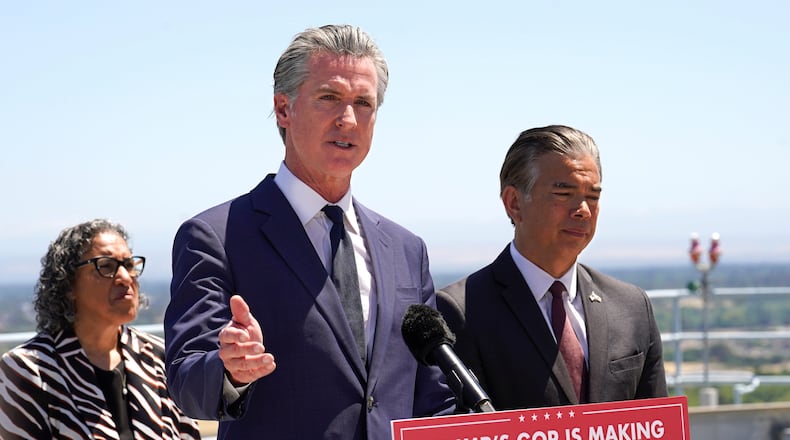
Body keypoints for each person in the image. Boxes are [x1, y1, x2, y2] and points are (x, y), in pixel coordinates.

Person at [164, 24, 454, 439]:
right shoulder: (216, 236)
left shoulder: (407, 250)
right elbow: (188, 382)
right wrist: (232, 372)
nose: (348, 119)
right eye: (329, 98)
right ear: (284, 109)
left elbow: (432, 397)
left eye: (363, 103)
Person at [437, 125, 667, 411]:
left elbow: (657, 421)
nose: (583, 209)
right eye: (564, 193)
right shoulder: (460, 310)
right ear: (514, 203)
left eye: (593, 197)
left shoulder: (631, 307)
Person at [0, 219, 201, 440]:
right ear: (67, 284)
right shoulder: (27, 369)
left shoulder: (160, 357)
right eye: (106, 266)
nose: (125, 278)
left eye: (129, 265)